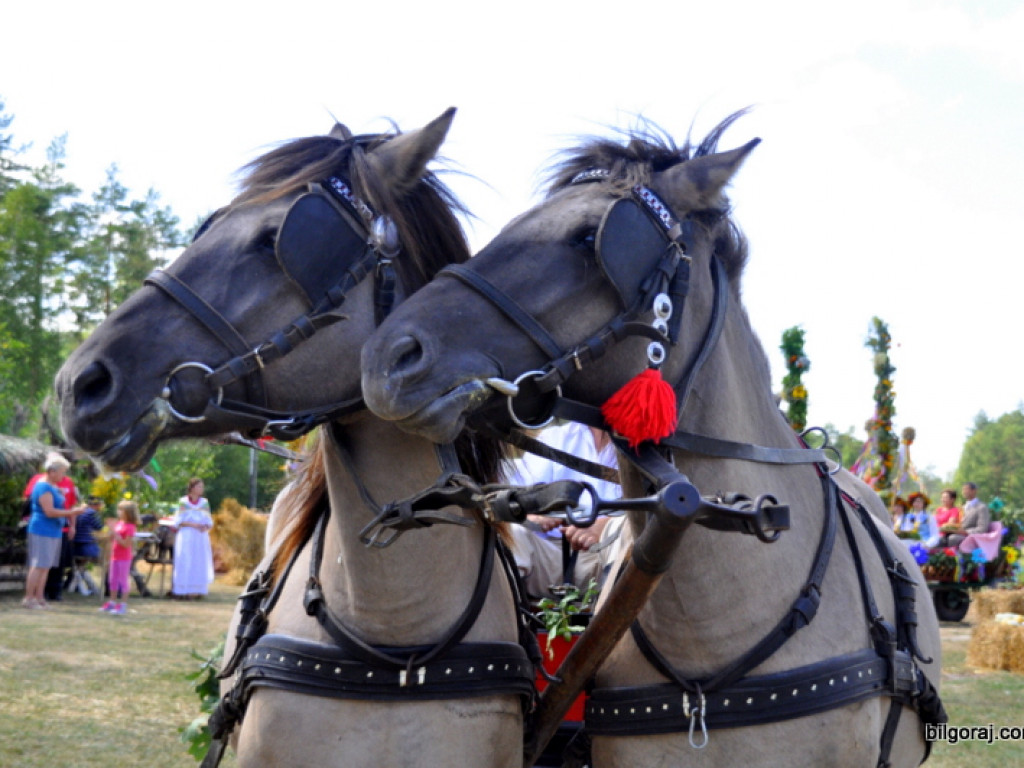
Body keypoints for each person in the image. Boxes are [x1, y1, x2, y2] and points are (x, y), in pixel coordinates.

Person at [504, 422, 624, 599]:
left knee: (627, 531)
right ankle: (510, 617)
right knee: (513, 531)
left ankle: (614, 622)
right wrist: (532, 516)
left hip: (608, 558)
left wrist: (605, 527)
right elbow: (510, 500)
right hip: (551, 557)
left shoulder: (649, 448)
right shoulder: (555, 438)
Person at [22, 453, 83, 609]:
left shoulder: (54, 487)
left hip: (53, 530)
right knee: (38, 564)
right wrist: (72, 513)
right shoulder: (43, 486)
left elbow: (61, 505)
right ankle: (29, 598)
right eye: (62, 472)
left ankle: (40, 598)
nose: (63, 476)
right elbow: (49, 511)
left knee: (46, 565)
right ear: (52, 471)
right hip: (41, 529)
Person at [171, 478, 214, 599]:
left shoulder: (204, 502)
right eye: (199, 486)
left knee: (199, 561)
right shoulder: (183, 502)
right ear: (192, 488)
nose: (201, 489)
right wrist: (193, 525)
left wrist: (205, 525)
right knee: (185, 560)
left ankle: (197, 590)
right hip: (187, 535)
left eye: (202, 487)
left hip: (200, 536)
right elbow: (178, 520)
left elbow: (208, 518)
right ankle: (182, 590)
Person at [101, 500, 140, 615]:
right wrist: (110, 532)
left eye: (121, 510)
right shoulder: (119, 524)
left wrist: (115, 533)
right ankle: (112, 602)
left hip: (124, 557)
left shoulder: (130, 527)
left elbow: (126, 544)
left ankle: (123, 604)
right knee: (112, 579)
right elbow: (113, 539)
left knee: (122, 580)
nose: (118, 512)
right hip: (115, 556)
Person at [64, 496, 105, 595]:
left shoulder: (81, 512)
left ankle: (75, 584)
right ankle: (103, 589)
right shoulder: (92, 514)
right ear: (98, 505)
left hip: (75, 546)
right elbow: (100, 527)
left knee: (80, 567)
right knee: (109, 558)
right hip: (87, 547)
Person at [946, 482, 992, 548]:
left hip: (971, 538)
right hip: (959, 534)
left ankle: (955, 557)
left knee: (952, 538)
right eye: (963, 489)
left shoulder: (981, 507)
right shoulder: (963, 507)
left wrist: (964, 532)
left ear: (974, 491)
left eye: (966, 489)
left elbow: (982, 529)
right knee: (941, 538)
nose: (964, 492)